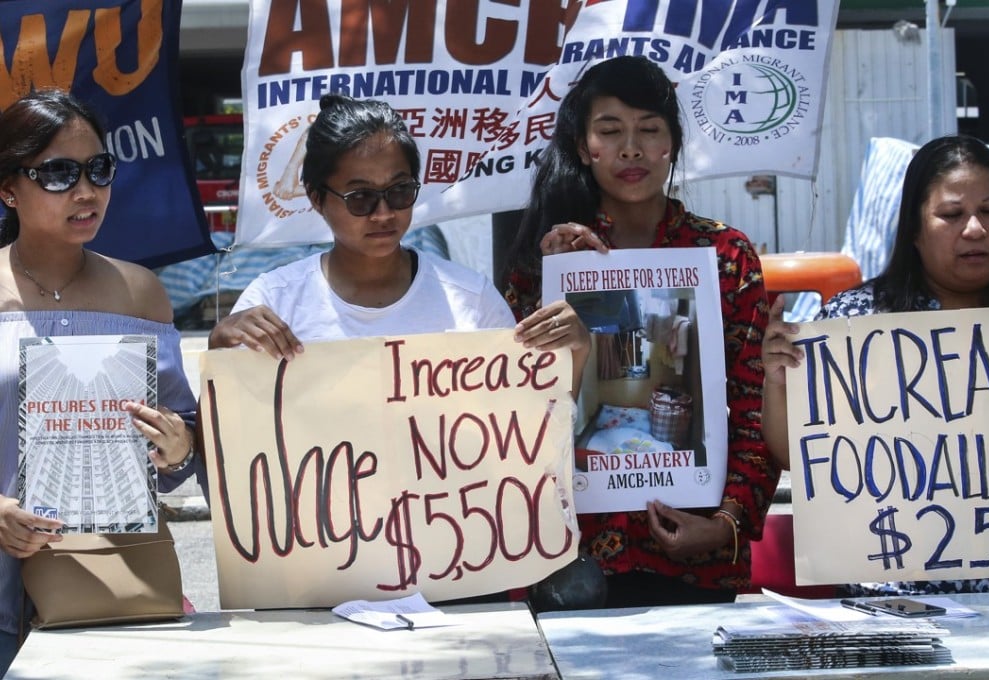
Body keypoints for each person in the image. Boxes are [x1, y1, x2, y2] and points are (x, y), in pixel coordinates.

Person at [504, 55, 779, 607]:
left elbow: (752, 405)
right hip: (572, 564)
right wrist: (550, 286)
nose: (631, 148)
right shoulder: (546, 261)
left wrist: (726, 523)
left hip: (696, 563)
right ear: (585, 148)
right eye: (610, 130)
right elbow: (513, 409)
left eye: (649, 130)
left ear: (671, 145)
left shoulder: (725, 256)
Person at [761, 134, 989, 596]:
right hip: (893, 604)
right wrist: (777, 381)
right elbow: (797, 456)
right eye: (952, 215)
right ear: (915, 229)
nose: (976, 229)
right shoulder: (855, 321)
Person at [0, 89, 203, 672]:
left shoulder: (141, 291)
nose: (86, 191)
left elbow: (180, 441)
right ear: (8, 188)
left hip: (106, 569)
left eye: (99, 169)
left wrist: (176, 446)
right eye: (59, 173)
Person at [208, 92, 525, 356]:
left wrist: (575, 355)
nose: (384, 213)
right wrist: (221, 351)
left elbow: (526, 413)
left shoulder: (472, 300)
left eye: (400, 191)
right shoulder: (274, 302)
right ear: (317, 198)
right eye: (360, 198)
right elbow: (224, 423)